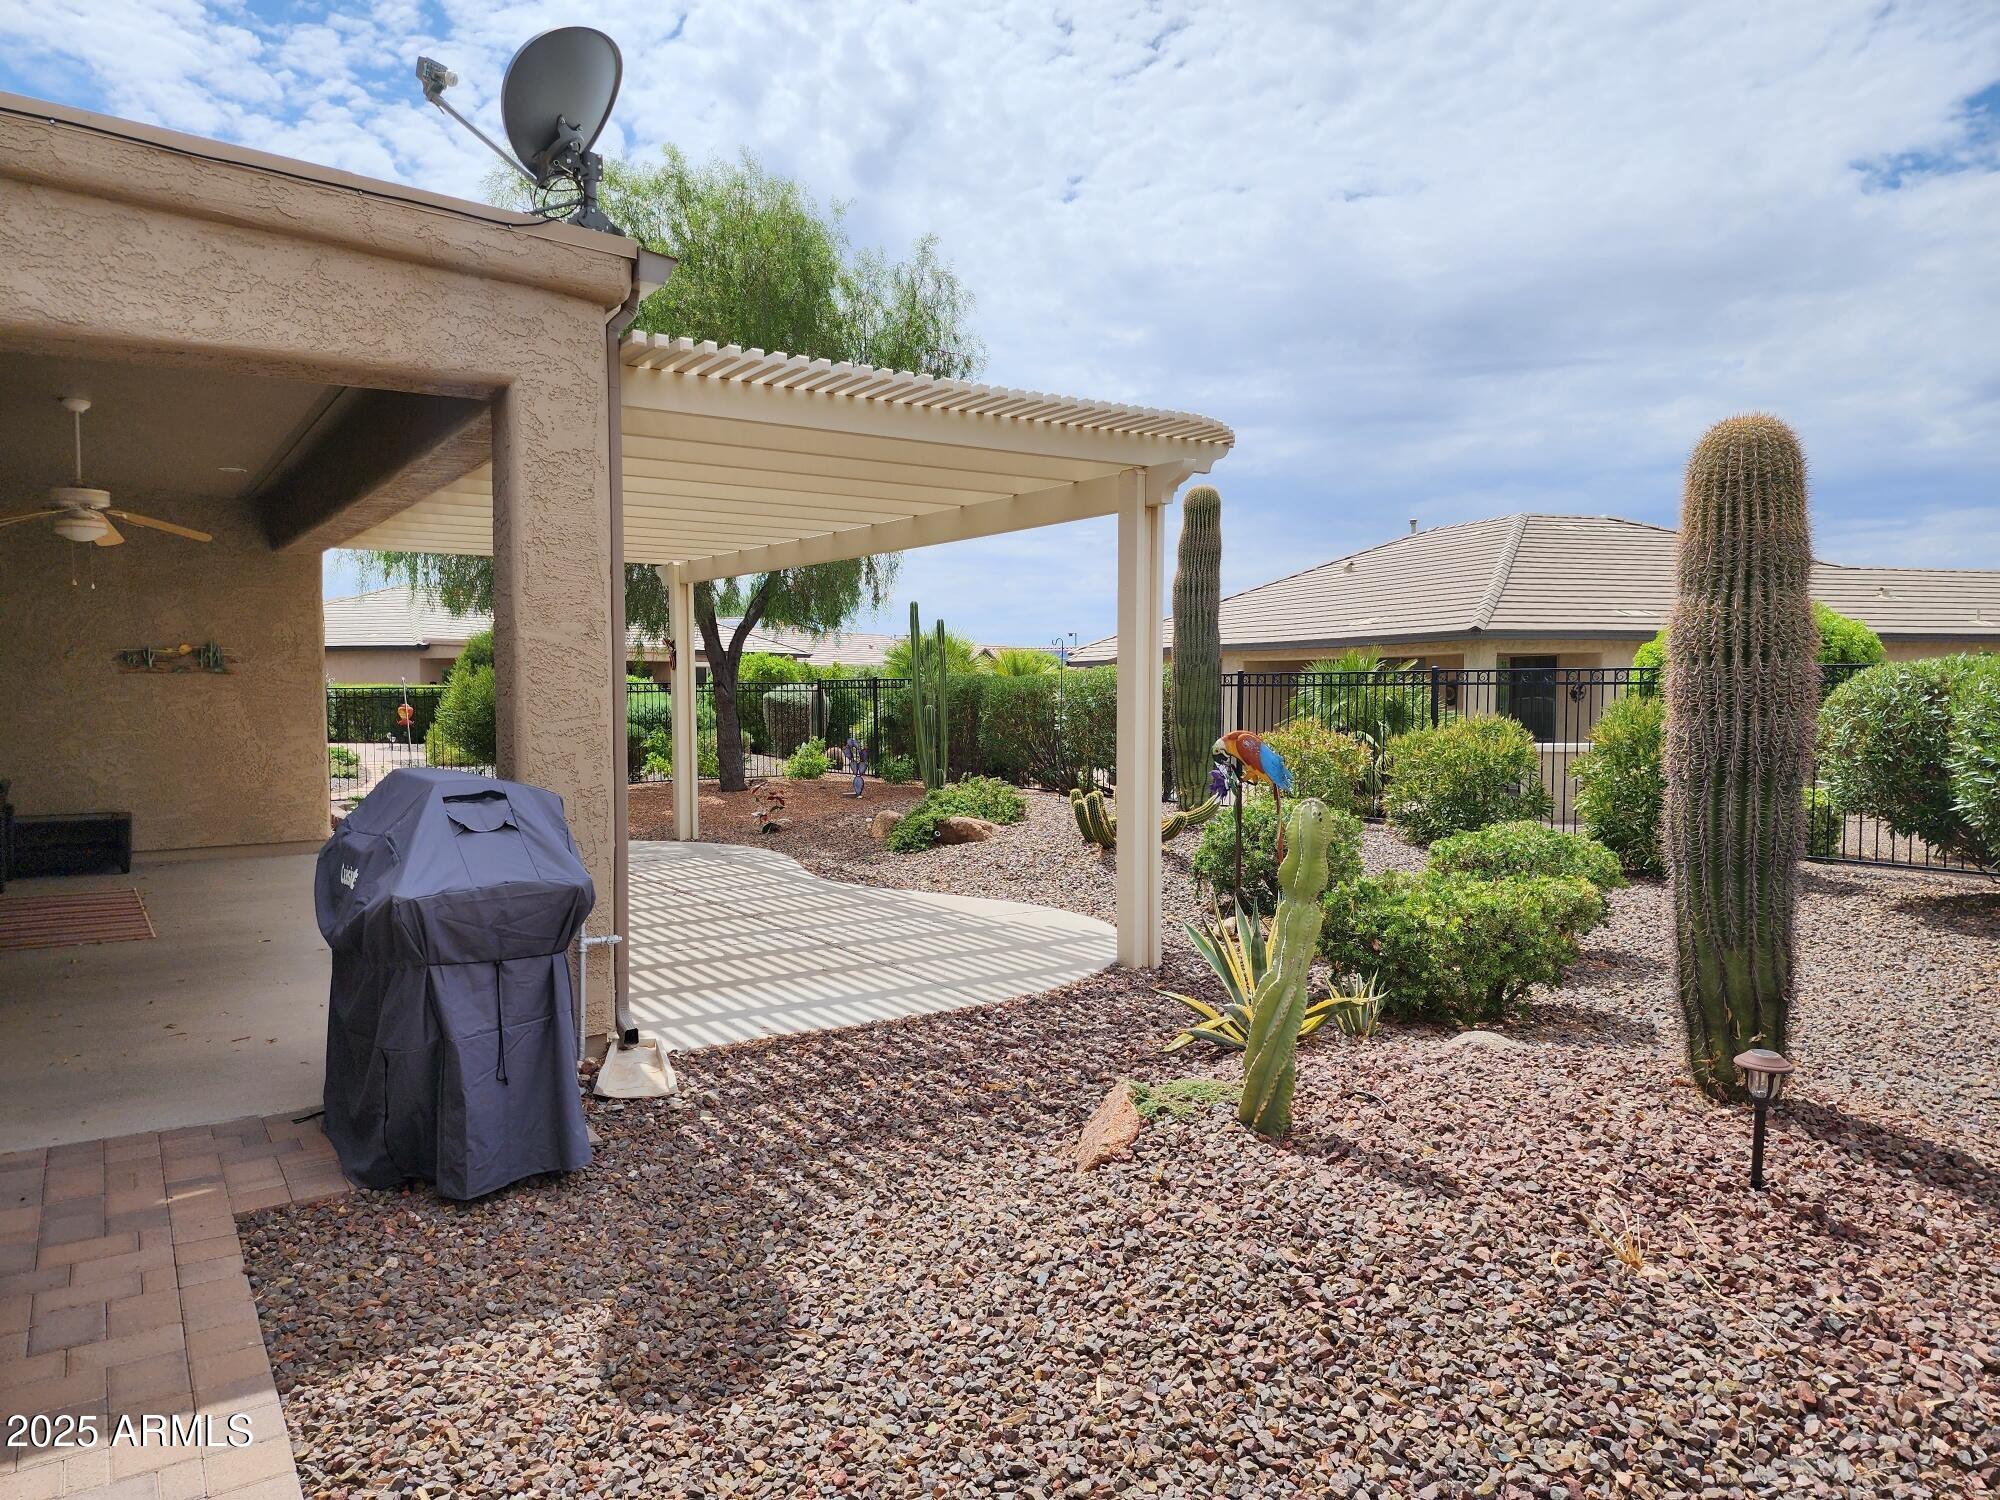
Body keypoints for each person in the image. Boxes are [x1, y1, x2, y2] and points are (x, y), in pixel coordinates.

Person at [845, 732, 867, 797]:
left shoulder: (859, 750)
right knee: (857, 775)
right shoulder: (851, 749)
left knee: (858, 775)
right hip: (856, 762)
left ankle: (858, 792)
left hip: (858, 763)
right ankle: (858, 792)